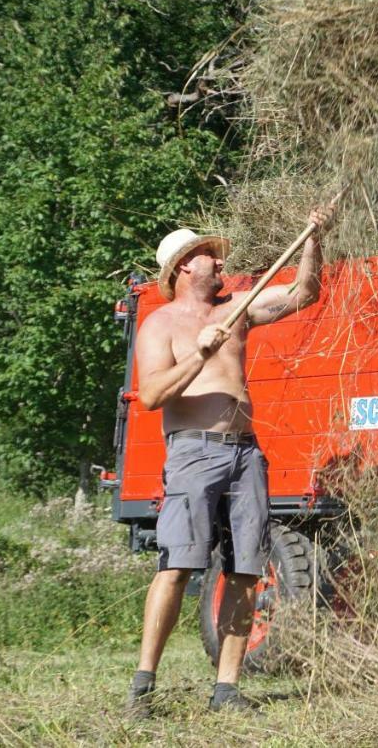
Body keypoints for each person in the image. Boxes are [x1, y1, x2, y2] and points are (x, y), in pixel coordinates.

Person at [125, 209, 330, 718]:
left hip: (245, 453)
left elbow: (304, 294)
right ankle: (143, 687)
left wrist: (312, 240)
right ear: (183, 270)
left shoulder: (236, 308)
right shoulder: (160, 325)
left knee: (244, 570)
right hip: (192, 452)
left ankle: (227, 690)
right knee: (177, 566)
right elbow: (149, 395)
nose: (218, 261)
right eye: (206, 255)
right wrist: (196, 355)